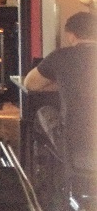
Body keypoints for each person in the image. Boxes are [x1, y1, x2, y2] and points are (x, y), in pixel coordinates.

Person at [24, 12, 97, 169]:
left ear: (71, 35)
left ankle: (42, 172)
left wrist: (64, 82)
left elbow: (30, 83)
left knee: (43, 112)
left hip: (76, 147)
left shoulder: (61, 56)